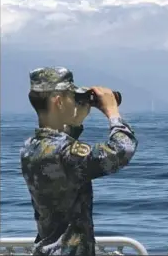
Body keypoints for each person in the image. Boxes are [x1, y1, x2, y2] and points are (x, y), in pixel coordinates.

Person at [20, 67, 138, 256]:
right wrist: (112, 112)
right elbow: (122, 150)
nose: (75, 101)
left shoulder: (30, 147)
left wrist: (75, 124)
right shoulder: (65, 154)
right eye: (71, 96)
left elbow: (59, 155)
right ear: (58, 102)